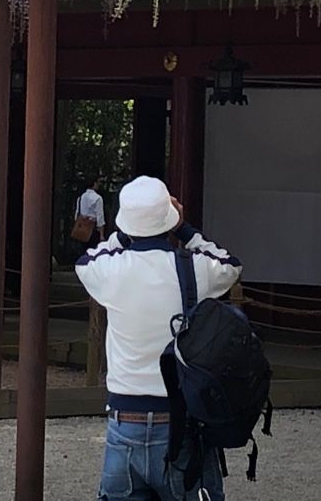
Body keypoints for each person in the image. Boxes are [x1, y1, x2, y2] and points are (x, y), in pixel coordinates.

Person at [76, 176, 242, 501]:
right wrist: (182, 227)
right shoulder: (192, 268)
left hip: (125, 422)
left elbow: (87, 259)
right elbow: (230, 264)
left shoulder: (111, 270)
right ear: (169, 216)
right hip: (182, 421)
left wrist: (125, 232)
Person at [75, 174, 107, 248]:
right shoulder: (97, 198)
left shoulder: (80, 197)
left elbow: (77, 214)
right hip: (92, 229)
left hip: (81, 228)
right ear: (94, 183)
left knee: (82, 250)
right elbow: (100, 217)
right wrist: (101, 235)